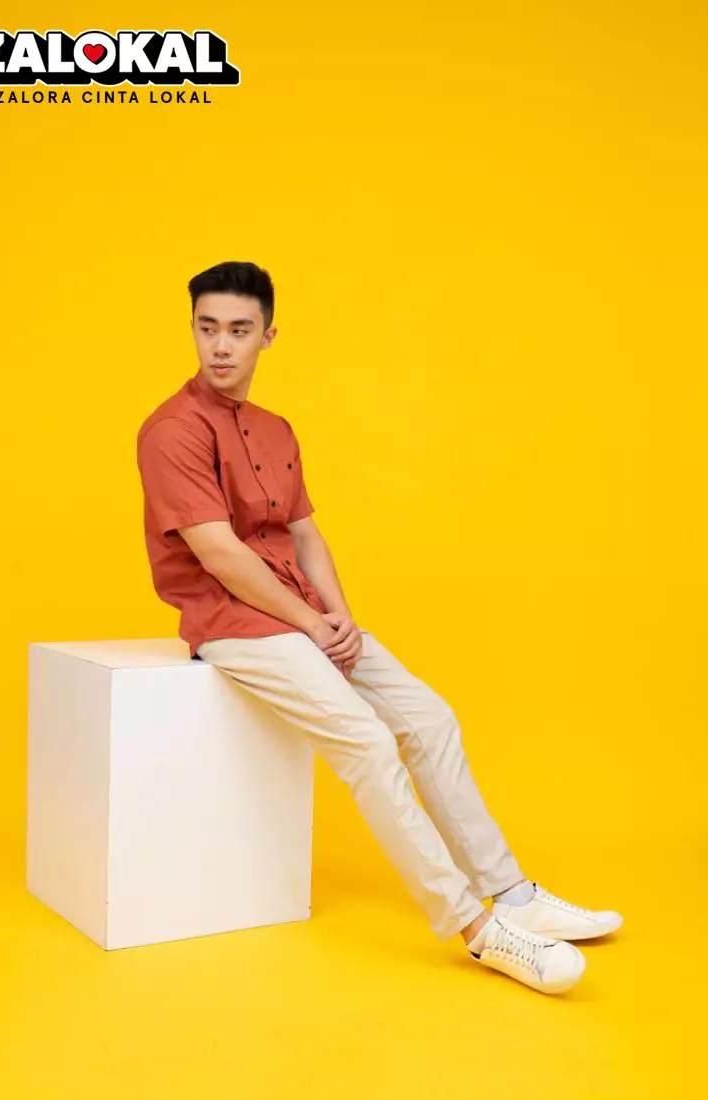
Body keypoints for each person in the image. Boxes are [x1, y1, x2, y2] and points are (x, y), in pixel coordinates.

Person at [136, 260, 623, 995]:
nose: (221, 346)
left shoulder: (276, 429)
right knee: (365, 742)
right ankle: (477, 929)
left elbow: (304, 534)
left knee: (430, 719)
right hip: (232, 621)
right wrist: (311, 623)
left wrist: (340, 619)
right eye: (207, 329)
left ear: (268, 336)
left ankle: (514, 895)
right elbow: (221, 555)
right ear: (193, 331)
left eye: (238, 329)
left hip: (303, 614)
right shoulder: (171, 430)